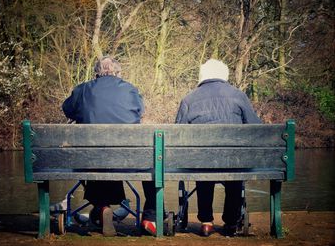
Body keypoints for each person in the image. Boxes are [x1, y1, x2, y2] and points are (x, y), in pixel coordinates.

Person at [62, 56, 156, 236]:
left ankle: (102, 206)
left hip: (91, 159)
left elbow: (67, 109)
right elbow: (140, 111)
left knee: (97, 156)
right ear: (118, 72)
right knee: (153, 165)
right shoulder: (130, 90)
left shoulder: (83, 89)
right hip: (127, 160)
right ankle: (150, 218)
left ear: (97, 73)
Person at [175, 59, 261, 237]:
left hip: (202, 162)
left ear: (202, 75)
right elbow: (256, 128)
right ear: (224, 75)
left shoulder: (189, 99)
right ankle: (231, 222)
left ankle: (206, 222)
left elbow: (177, 134)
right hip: (233, 160)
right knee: (234, 170)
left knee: (203, 167)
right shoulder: (239, 96)